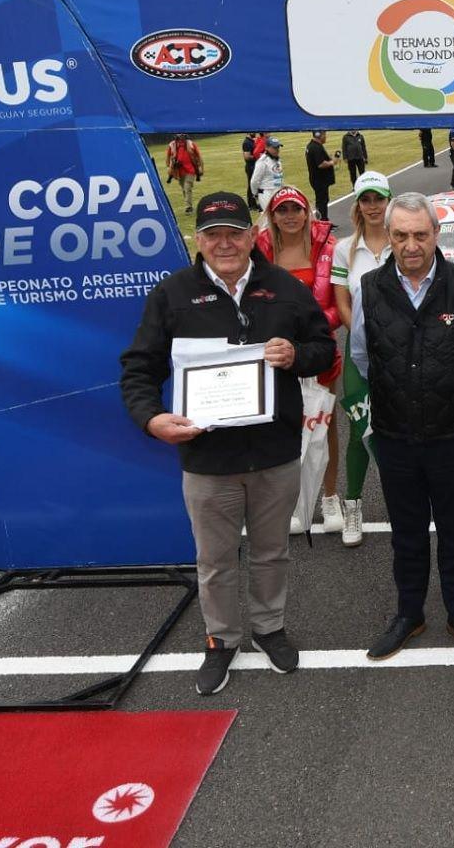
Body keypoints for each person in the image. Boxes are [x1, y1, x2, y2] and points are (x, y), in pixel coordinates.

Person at [120, 192, 335, 696]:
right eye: (213, 235)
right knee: (214, 559)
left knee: (270, 551)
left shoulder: (283, 287)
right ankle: (220, 638)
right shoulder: (172, 294)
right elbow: (138, 367)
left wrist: (296, 354)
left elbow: (323, 346)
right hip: (208, 458)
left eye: (235, 233)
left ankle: (268, 626)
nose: (225, 244)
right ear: (198, 241)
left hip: (274, 452)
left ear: (250, 234)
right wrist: (152, 419)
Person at [350, 191, 454, 661]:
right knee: (406, 533)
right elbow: (360, 354)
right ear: (388, 237)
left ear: (437, 234)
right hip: (395, 437)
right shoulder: (368, 289)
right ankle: (408, 613)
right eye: (400, 236)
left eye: (420, 234)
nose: (411, 245)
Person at [256, 187, 345, 534]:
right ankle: (292, 500)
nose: (290, 216)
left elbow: (341, 301)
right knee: (282, 425)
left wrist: (311, 328)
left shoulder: (329, 248)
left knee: (326, 423)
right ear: (273, 216)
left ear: (307, 212)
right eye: (282, 210)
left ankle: (330, 495)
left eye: (296, 209)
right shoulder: (260, 249)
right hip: (276, 354)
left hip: (319, 351)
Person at [331, 171, 393, 546]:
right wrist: (362, 336)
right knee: (359, 427)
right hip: (359, 351)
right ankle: (353, 503)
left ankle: (403, 502)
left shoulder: (402, 241)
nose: (373, 206)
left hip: (399, 352)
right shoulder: (345, 248)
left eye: (379, 199)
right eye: (366, 200)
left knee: (398, 427)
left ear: (389, 200)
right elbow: (341, 300)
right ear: (358, 205)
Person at [165, 134, 203, 214]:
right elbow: (168, 156)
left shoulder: (191, 144)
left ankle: (188, 207)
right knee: (184, 189)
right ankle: (189, 205)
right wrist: (169, 166)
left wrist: (200, 167)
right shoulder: (172, 145)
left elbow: (199, 156)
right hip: (179, 172)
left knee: (187, 187)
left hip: (191, 170)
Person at [305, 131, 337, 221]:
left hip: (317, 179)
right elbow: (321, 164)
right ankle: (323, 221)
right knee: (322, 201)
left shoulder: (312, 146)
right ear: (319, 135)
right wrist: (332, 162)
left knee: (322, 200)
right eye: (324, 135)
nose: (325, 137)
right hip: (320, 180)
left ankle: (324, 219)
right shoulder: (316, 147)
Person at [249, 136, 285, 209]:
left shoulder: (277, 159)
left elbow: (278, 175)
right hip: (267, 192)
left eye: (278, 147)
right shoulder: (262, 162)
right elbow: (254, 180)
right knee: (268, 216)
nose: (277, 150)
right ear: (267, 148)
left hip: (278, 191)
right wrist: (255, 193)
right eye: (274, 148)